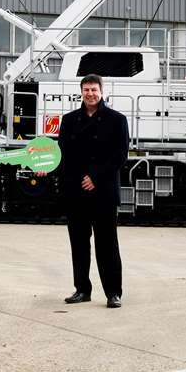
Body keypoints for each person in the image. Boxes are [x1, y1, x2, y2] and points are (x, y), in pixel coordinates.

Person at [56, 74, 129, 309]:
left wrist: (95, 177)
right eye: (86, 89)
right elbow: (62, 155)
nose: (90, 94)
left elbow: (120, 155)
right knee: (78, 243)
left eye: (94, 90)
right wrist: (43, 167)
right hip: (76, 191)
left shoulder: (117, 120)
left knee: (107, 244)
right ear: (81, 91)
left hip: (103, 191)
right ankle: (81, 290)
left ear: (101, 91)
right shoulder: (68, 120)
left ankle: (113, 293)